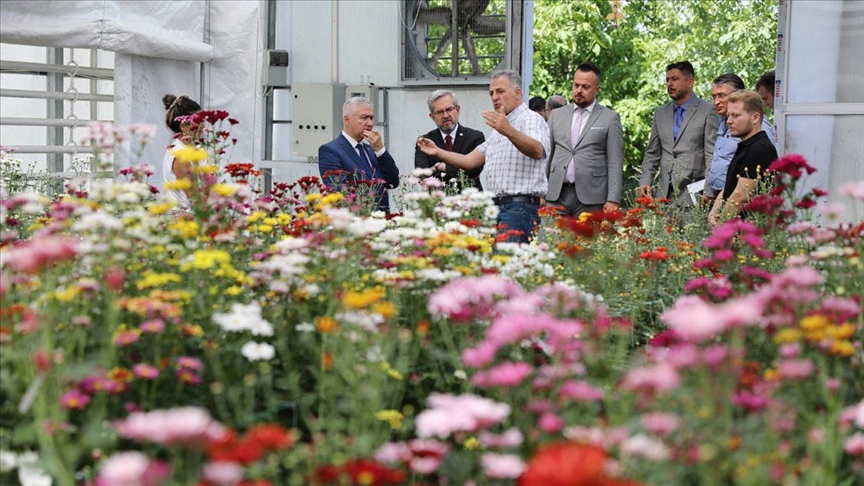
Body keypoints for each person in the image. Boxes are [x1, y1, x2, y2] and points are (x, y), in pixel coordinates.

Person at [416, 69, 550, 243]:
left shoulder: (530, 119)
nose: (494, 97)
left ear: (518, 93)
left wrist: (508, 131)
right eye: (491, 93)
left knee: (508, 266)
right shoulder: (500, 128)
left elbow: (537, 150)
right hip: (498, 208)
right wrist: (438, 152)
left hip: (519, 207)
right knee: (498, 267)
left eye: (500, 91)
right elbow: (470, 161)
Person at [545, 62, 623, 216]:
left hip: (592, 198)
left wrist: (613, 199)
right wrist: (540, 192)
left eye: (585, 87)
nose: (579, 90)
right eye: (576, 85)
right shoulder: (556, 115)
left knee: (587, 240)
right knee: (550, 239)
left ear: (597, 88)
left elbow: (615, 162)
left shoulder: (610, 118)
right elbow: (547, 156)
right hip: (556, 195)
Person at [638, 61, 718, 206]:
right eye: (667, 80)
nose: (669, 84)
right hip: (663, 197)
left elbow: (711, 154)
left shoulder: (708, 111)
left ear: (690, 82)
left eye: (674, 79)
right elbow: (652, 153)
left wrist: (709, 191)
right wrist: (645, 181)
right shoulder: (660, 113)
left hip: (694, 196)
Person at [708, 90, 778, 227]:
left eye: (735, 115)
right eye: (728, 116)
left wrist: (720, 228)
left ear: (755, 117)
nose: (729, 121)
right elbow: (731, 185)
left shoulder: (760, 149)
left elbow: (741, 197)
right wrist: (713, 211)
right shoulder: (746, 145)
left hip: (748, 233)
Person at [318, 96, 400, 213]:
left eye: (371, 118)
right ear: (347, 120)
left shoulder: (370, 149)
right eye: (364, 118)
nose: (370, 123)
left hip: (381, 220)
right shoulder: (331, 150)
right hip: (355, 221)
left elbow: (393, 182)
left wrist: (380, 150)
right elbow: (339, 193)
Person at [703, 73, 775, 205]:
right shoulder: (722, 122)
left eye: (722, 95)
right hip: (720, 197)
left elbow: (765, 163)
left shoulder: (757, 125)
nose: (716, 102)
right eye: (714, 96)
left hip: (741, 203)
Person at [414, 89, 485, 191]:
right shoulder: (425, 142)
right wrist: (460, 174)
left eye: (449, 109)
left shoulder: (475, 137)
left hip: (470, 202)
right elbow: (422, 176)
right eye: (439, 112)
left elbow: (474, 170)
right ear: (432, 116)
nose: (446, 115)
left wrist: (439, 167)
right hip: (438, 202)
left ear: (458, 109)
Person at [162, 94, 202, 208]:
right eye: (198, 121)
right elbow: (196, 199)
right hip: (185, 221)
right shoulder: (180, 156)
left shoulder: (191, 149)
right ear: (183, 126)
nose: (203, 126)